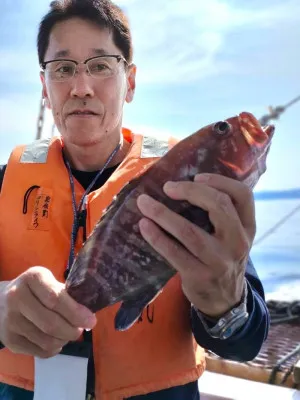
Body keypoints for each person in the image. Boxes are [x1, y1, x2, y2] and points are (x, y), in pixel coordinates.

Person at [0, 0, 270, 399]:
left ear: (131, 81)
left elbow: (245, 342)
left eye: (101, 64)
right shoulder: (7, 181)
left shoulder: (185, 183)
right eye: (62, 68)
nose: (81, 87)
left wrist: (227, 305)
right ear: (44, 87)